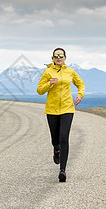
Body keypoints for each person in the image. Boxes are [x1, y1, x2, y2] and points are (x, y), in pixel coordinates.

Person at [37, 47, 85, 182]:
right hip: (51, 110)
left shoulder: (70, 72)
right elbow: (39, 90)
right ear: (52, 58)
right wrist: (49, 84)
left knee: (64, 138)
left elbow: (80, 83)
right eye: (56, 56)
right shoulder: (47, 72)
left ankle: (62, 170)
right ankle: (56, 149)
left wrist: (80, 94)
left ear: (65, 58)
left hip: (67, 108)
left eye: (61, 55)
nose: (59, 58)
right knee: (55, 140)